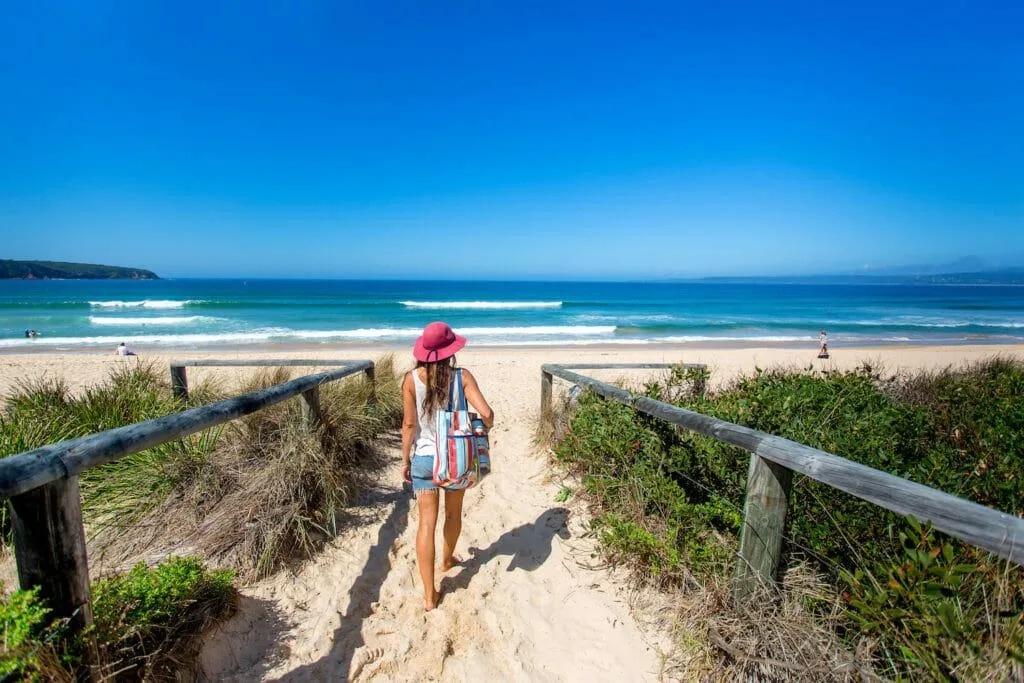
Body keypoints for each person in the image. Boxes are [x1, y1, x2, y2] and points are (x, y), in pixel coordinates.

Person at [402, 321, 494, 611]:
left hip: (425, 459)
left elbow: (408, 424)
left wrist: (405, 459)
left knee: (425, 524)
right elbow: (488, 414)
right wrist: (481, 431)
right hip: (456, 458)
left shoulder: (410, 380)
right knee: (453, 513)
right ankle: (446, 560)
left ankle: (430, 596)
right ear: (450, 350)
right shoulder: (462, 377)